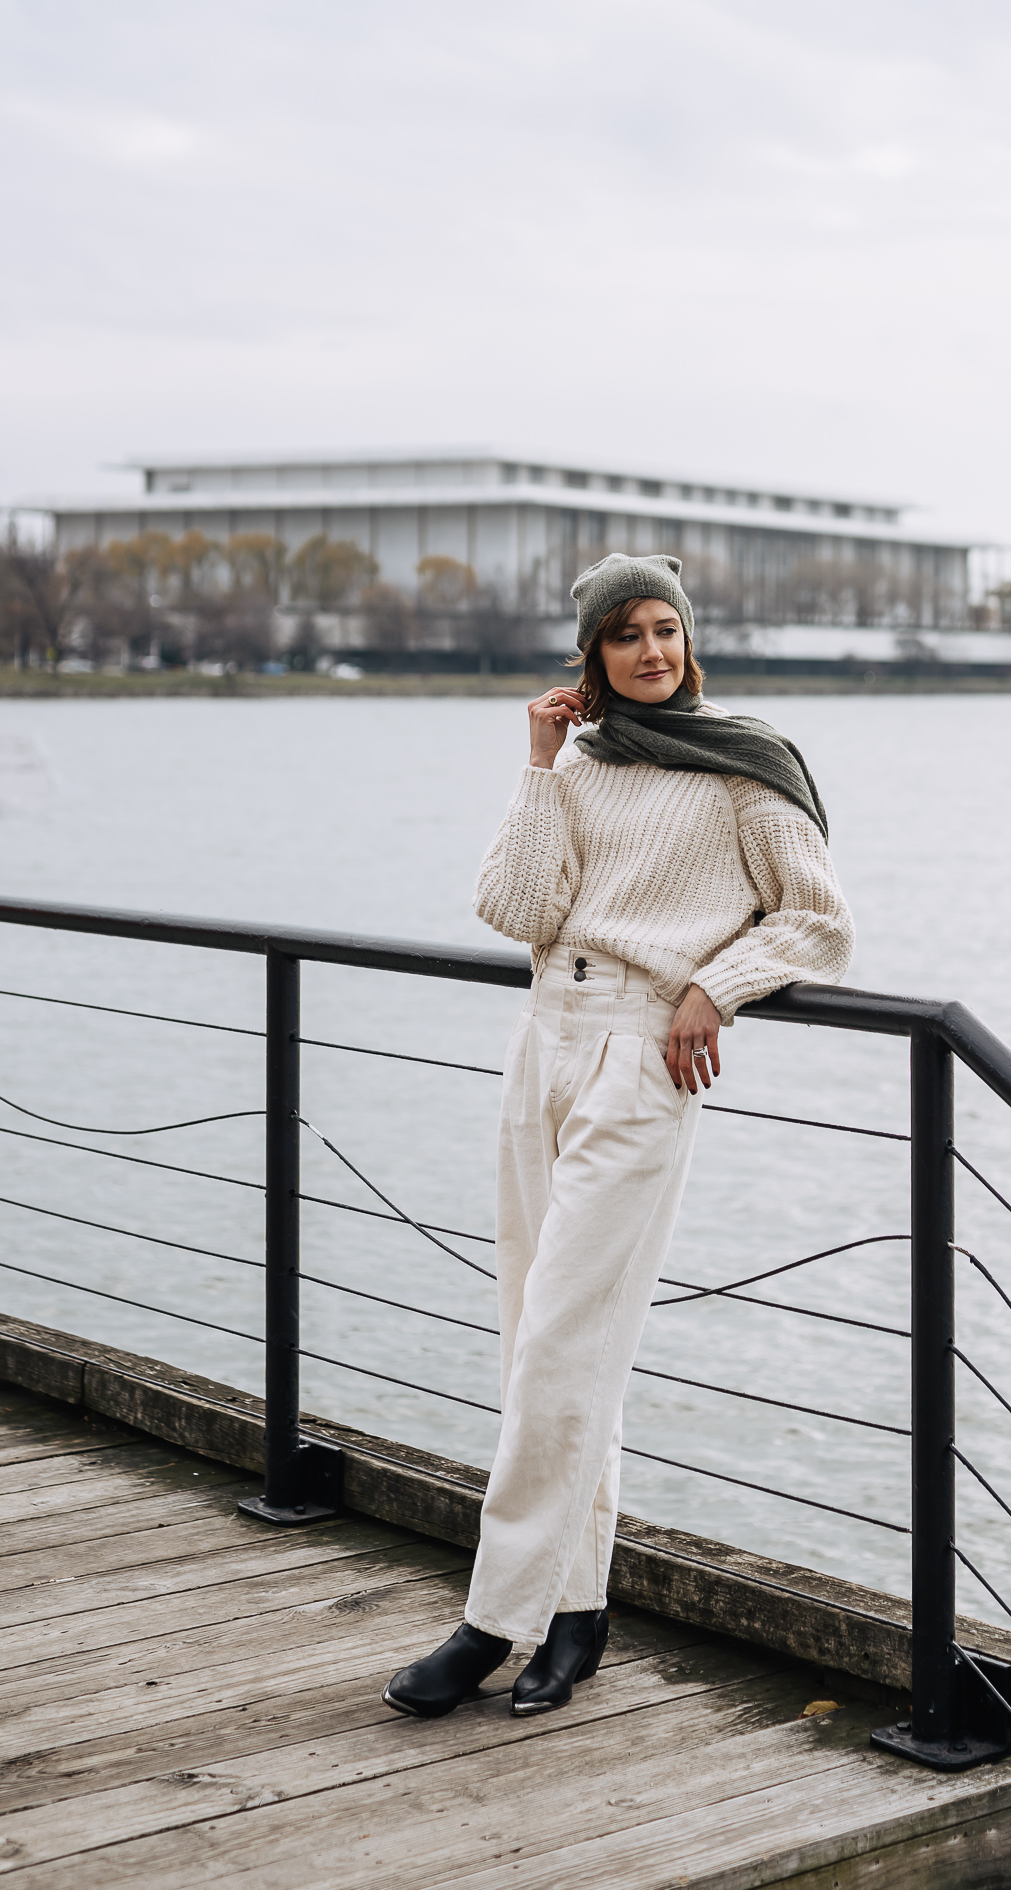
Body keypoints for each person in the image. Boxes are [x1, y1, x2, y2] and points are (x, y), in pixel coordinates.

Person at [384, 552, 854, 1721]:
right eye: (625, 635)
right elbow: (515, 910)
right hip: (545, 1035)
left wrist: (717, 986)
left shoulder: (748, 768)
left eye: (667, 629)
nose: (653, 650)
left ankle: (493, 1622)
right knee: (541, 1339)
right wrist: (539, 767)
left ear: (690, 639)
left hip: (648, 1049)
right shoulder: (582, 767)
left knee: (560, 1344)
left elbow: (818, 920)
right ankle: (578, 1614)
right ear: (590, 656)